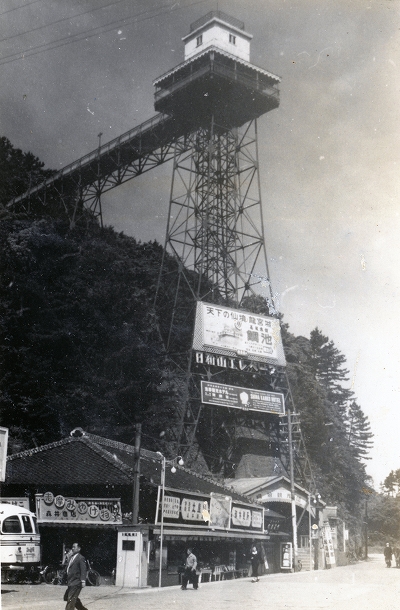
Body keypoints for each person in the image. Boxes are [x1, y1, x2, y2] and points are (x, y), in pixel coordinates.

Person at [64, 542, 88, 610]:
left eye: (74, 547)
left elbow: (83, 569)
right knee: (67, 597)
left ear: (79, 548)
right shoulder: (71, 557)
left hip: (76, 582)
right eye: (72, 547)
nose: (72, 548)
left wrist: (83, 581)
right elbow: (68, 568)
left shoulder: (80, 558)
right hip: (70, 582)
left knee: (70, 600)